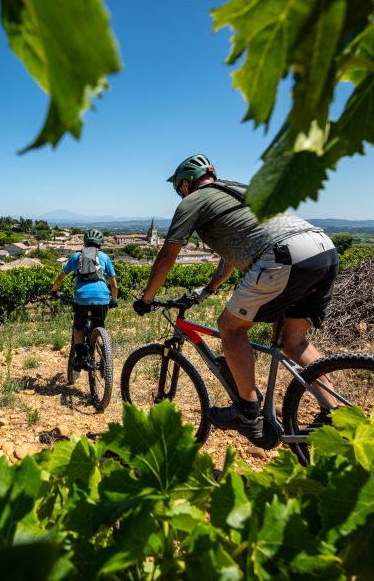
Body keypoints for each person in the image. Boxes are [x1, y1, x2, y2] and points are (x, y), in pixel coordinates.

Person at [133, 154, 339, 442]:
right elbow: (229, 258)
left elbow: (168, 255)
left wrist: (146, 298)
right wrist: (209, 289)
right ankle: (335, 412)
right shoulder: (239, 190)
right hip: (322, 249)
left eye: (179, 189)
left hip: (283, 254)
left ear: (186, 184)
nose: (180, 194)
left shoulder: (193, 201)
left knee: (230, 328)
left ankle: (248, 412)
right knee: (293, 341)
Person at [51, 228, 119, 370]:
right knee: (98, 325)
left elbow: (60, 278)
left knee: (79, 327)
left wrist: (54, 291)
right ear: (100, 243)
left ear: (85, 242)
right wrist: (114, 300)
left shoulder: (76, 257)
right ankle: (105, 359)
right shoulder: (105, 257)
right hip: (102, 297)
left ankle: (79, 359)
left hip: (82, 297)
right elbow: (114, 284)